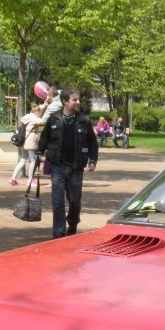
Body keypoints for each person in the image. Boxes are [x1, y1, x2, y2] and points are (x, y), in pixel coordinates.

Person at [36, 88, 98, 238]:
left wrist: (92, 160)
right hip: (57, 166)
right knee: (57, 201)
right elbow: (44, 138)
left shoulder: (84, 120)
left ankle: (72, 223)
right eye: (75, 99)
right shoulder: (54, 119)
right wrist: (39, 152)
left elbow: (92, 143)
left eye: (78, 99)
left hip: (76, 168)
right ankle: (59, 231)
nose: (78, 102)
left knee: (74, 201)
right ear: (65, 101)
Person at [9, 102, 43, 186]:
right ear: (37, 112)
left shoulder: (28, 116)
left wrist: (44, 104)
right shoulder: (34, 118)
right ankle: (30, 180)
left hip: (24, 141)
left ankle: (13, 178)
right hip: (30, 141)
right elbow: (42, 121)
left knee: (23, 160)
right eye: (39, 113)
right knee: (33, 161)